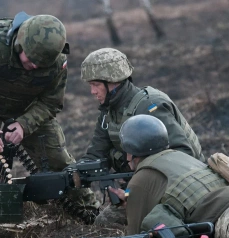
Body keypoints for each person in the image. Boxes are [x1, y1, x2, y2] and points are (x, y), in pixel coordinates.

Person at [0, 12, 99, 224]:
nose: (34, 66)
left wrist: (24, 124)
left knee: (57, 160)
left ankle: (90, 214)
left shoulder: (57, 61)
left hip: (28, 108)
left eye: (41, 65)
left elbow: (52, 102)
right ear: (20, 44)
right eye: (30, 60)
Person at [80, 47, 204, 226]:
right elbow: (96, 152)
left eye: (96, 85)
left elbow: (182, 153)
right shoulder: (109, 112)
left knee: (132, 226)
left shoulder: (149, 106)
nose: (92, 91)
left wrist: (136, 191)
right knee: (103, 223)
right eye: (90, 85)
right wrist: (76, 173)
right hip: (144, 185)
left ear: (113, 81)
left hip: (180, 186)